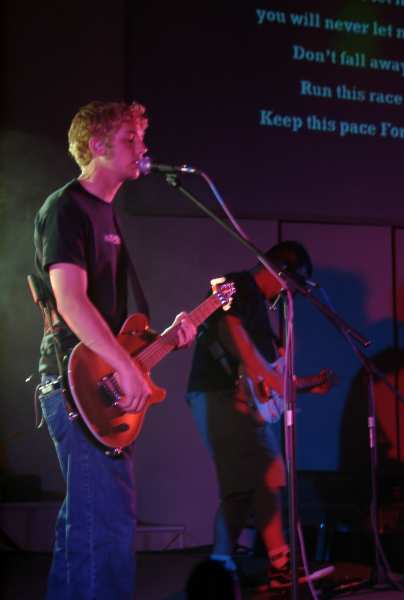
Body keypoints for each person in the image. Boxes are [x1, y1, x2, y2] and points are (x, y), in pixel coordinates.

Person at [33, 100, 196, 600]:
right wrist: (125, 367)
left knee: (94, 525)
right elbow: (70, 301)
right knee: (100, 529)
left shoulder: (106, 213)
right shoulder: (67, 207)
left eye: (141, 138)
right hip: (76, 385)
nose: (143, 148)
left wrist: (164, 339)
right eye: (130, 139)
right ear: (97, 145)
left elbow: (113, 326)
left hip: (97, 383)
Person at [186, 241, 334, 590]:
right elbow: (231, 332)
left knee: (240, 489)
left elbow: (268, 377)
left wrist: (308, 384)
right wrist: (274, 379)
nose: (289, 294)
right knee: (269, 471)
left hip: (231, 400)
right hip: (220, 395)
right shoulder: (236, 285)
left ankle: (221, 570)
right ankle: (279, 564)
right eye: (292, 285)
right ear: (281, 271)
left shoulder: (261, 312)